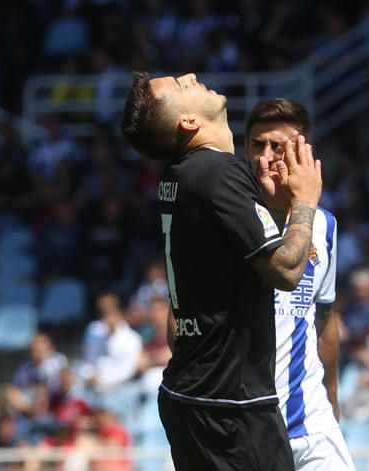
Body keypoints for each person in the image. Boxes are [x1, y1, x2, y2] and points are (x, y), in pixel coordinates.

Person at [120, 72, 322, 471]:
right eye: (181, 86)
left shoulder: (178, 177)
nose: (191, 76)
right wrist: (305, 202)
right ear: (188, 122)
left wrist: (274, 210)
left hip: (188, 393)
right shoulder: (220, 174)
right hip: (231, 404)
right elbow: (285, 270)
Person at [245, 98, 354, 470]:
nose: (267, 156)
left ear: (303, 152)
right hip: (245, 425)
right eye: (257, 145)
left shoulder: (324, 226)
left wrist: (332, 395)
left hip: (312, 420)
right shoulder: (227, 220)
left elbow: (324, 318)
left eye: (279, 146)